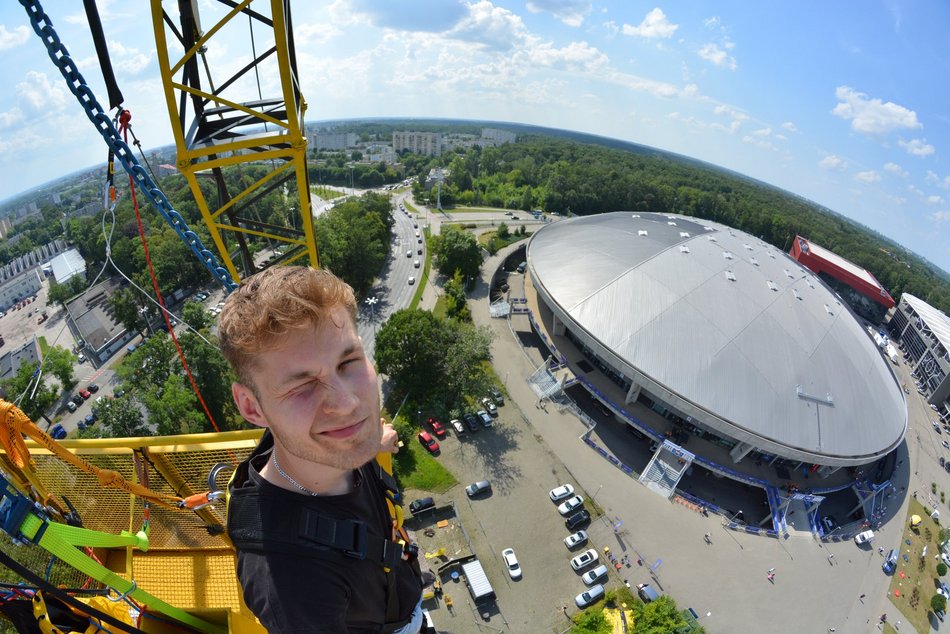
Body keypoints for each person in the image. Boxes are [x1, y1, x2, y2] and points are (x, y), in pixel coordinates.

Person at [220, 267, 424, 633]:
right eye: (302, 386)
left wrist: (374, 445)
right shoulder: (291, 583)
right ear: (252, 407)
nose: (347, 404)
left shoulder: (327, 445)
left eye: (348, 362)